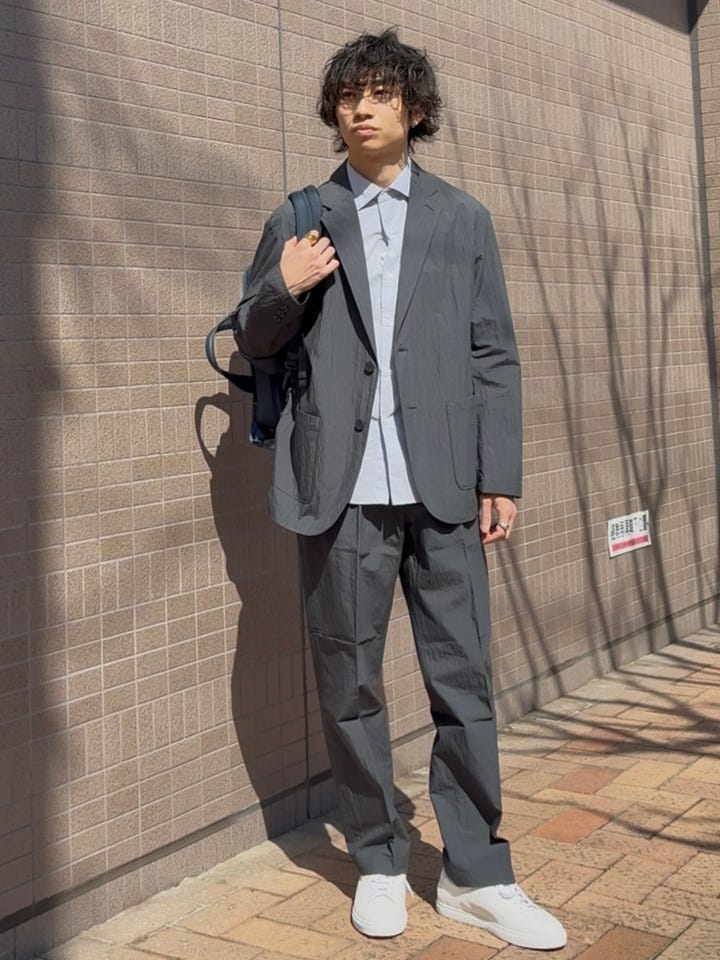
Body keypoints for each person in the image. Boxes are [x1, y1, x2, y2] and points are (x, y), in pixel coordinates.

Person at [233, 28, 566, 951]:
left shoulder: (462, 219)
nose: (361, 108)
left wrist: (500, 473)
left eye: (380, 93)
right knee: (349, 680)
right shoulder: (303, 213)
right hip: (339, 491)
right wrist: (282, 285)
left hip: (445, 484)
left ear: (414, 109)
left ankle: (477, 874)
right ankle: (378, 857)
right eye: (348, 95)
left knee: (464, 679)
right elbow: (251, 337)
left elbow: (493, 353)